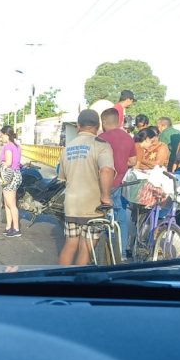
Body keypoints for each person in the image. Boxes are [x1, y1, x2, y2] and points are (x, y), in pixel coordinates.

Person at [57, 109, 115, 266]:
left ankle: (61, 281)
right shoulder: (101, 145)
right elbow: (107, 170)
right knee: (87, 247)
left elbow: (62, 177)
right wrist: (106, 197)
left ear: (78, 126)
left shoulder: (67, 148)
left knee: (70, 245)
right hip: (93, 206)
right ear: (98, 126)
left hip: (71, 205)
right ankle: (78, 285)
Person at [97, 107, 137, 255]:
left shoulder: (102, 138)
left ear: (104, 122)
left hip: (104, 184)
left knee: (101, 217)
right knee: (120, 219)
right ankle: (121, 252)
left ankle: (105, 252)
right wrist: (120, 164)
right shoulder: (128, 137)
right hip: (121, 183)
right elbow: (133, 161)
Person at [0, 123, 22, 237]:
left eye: (1, 135)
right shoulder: (16, 146)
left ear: (6, 135)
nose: (1, 138)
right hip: (16, 175)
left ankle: (16, 228)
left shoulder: (7, 147)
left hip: (9, 176)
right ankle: (8, 226)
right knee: (7, 203)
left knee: (11, 204)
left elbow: (8, 162)